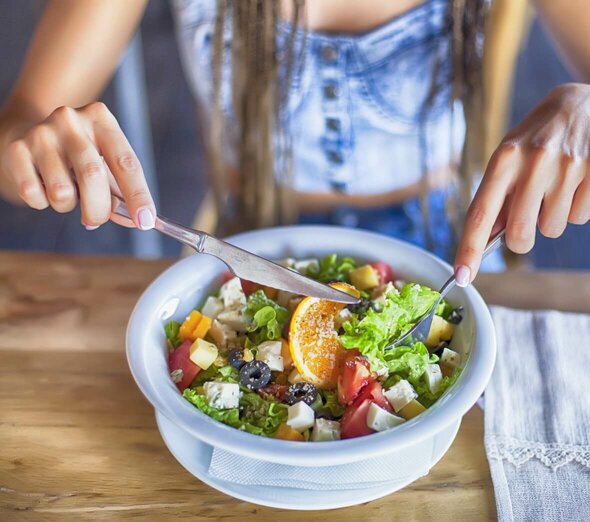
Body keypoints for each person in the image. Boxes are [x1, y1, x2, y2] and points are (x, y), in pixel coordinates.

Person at [0, 0, 589, 287]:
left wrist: (581, 106)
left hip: (451, 253)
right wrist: (33, 148)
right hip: (246, 245)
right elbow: (19, 131)